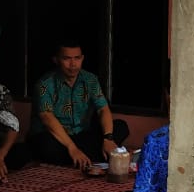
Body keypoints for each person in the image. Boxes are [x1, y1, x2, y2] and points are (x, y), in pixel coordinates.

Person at [30, 39, 129, 170]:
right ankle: (86, 154)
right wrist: (72, 148)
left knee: (120, 126)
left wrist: (108, 138)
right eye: (67, 58)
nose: (73, 64)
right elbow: (47, 118)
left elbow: (103, 108)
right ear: (56, 60)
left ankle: (89, 153)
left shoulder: (90, 79)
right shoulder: (45, 84)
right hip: (56, 137)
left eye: (77, 58)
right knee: (46, 147)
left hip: (81, 134)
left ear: (82, 58)